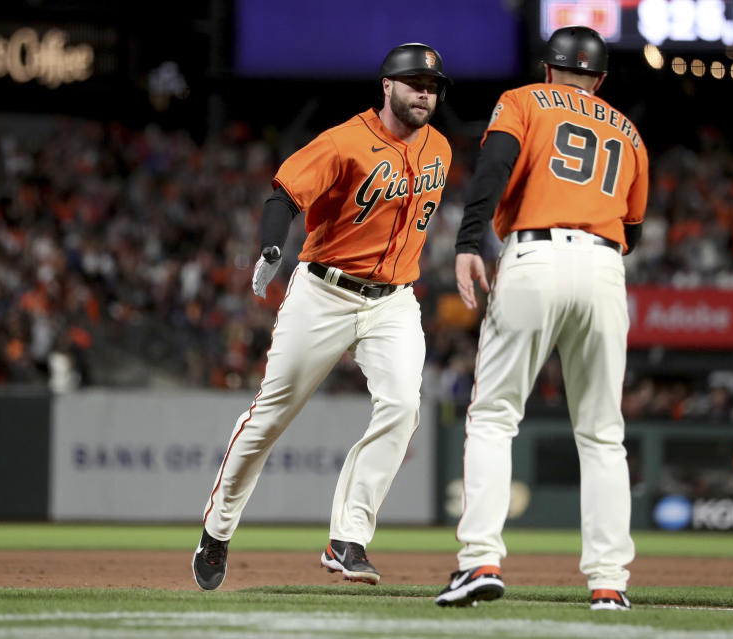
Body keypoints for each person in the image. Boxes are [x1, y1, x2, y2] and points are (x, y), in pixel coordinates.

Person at [192, 43, 452, 591]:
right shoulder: (344, 141)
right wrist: (270, 248)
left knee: (404, 406)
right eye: (413, 84)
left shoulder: (441, 150)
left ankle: (347, 539)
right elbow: (284, 197)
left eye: (431, 86)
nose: (424, 93)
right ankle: (217, 530)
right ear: (387, 87)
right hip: (324, 292)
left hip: (393, 300)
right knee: (271, 416)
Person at [435, 26, 648, 611]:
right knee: (604, 434)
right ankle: (609, 583)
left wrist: (469, 241)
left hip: (536, 256)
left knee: (495, 416)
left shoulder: (525, 99)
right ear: (600, 80)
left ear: (547, 68)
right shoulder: (628, 132)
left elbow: (494, 167)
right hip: (605, 269)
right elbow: (632, 228)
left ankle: (480, 559)